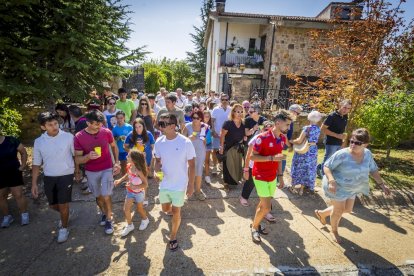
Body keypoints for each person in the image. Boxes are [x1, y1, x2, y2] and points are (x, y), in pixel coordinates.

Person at [315, 128, 391, 244]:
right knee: (338, 210)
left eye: (357, 143)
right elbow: (326, 166)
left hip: (352, 187)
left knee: (347, 209)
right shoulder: (342, 154)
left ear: (365, 144)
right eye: (351, 141)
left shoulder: (367, 154)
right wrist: (331, 181)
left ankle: (322, 213)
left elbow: (373, 170)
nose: (353, 144)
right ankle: (334, 231)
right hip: (336, 185)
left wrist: (382, 185)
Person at [74, 110, 121, 235]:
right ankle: (105, 213)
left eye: (100, 124)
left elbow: (114, 146)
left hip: (107, 168)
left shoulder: (106, 132)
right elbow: (77, 159)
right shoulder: (79, 137)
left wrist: (116, 162)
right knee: (98, 196)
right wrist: (88, 157)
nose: (99, 127)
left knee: (106, 194)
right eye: (96, 124)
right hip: (91, 170)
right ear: (88, 123)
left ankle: (109, 220)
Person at [154, 113, 196, 251]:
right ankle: (173, 213)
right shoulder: (159, 142)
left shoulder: (185, 142)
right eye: (160, 123)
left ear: (173, 126)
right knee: (166, 210)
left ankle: (173, 236)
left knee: (177, 211)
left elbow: (192, 165)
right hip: (164, 183)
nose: (160, 126)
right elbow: (157, 161)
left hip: (179, 184)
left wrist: (191, 185)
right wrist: (156, 172)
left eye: (163, 124)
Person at [31, 112, 75, 243]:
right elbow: (36, 163)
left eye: (56, 123)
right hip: (49, 176)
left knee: (63, 204)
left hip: (66, 174)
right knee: (53, 205)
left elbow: (75, 155)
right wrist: (34, 183)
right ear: (43, 127)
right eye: (50, 125)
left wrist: (78, 171)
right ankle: (65, 213)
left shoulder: (68, 137)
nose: (54, 126)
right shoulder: (38, 142)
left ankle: (64, 228)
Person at [249, 110, 291, 243]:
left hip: (272, 176)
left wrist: (280, 176)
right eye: (287, 124)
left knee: (263, 204)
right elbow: (252, 156)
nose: (288, 128)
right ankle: (254, 227)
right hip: (260, 175)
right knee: (267, 208)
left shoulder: (283, 139)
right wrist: (271, 157)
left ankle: (255, 223)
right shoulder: (263, 137)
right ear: (278, 123)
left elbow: (279, 159)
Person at [240, 121, 278, 222]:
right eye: (266, 129)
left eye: (270, 130)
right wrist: (246, 169)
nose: (268, 132)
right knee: (250, 183)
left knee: (268, 192)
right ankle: (244, 197)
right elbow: (248, 155)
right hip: (255, 167)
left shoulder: (276, 140)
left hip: (268, 169)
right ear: (262, 129)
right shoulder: (256, 139)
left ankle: (266, 211)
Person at [114, 150, 149, 237]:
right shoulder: (129, 166)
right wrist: (120, 180)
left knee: (139, 209)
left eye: (128, 156)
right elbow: (127, 175)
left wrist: (135, 187)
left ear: (134, 159)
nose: (126, 157)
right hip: (130, 192)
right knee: (126, 209)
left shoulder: (139, 171)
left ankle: (145, 220)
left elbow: (145, 184)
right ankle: (130, 225)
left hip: (139, 193)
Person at [290, 111, 322, 195]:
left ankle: (293, 186)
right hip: (313, 150)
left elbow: (300, 140)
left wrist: (291, 141)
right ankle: (301, 189)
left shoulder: (307, 128)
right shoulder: (318, 128)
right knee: (308, 168)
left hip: (304, 149)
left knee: (299, 166)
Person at [317, 99, 352, 177]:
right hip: (330, 142)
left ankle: (320, 168)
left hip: (339, 142)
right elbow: (323, 129)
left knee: (336, 159)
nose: (346, 110)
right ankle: (324, 175)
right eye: (344, 107)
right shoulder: (332, 116)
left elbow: (341, 131)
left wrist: (343, 141)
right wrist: (337, 135)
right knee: (328, 159)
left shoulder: (346, 116)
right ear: (340, 105)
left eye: (348, 108)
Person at [124, 118, 155, 206]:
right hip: (134, 162)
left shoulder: (148, 134)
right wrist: (133, 151)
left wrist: (152, 163)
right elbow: (125, 146)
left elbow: (153, 147)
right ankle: (136, 196)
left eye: (140, 126)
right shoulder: (130, 135)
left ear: (143, 126)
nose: (138, 129)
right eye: (136, 127)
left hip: (146, 161)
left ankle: (144, 198)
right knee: (134, 179)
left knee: (144, 180)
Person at [0, 133, 28, 228]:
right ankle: (7, 217)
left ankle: (24, 215)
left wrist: (23, 166)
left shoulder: (11, 140)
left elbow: (23, 152)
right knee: (1, 196)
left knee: (18, 195)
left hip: (14, 172)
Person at [183, 110, 209, 201]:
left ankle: (198, 191)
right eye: (193, 117)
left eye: (197, 118)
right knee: (188, 170)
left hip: (200, 151)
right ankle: (188, 190)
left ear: (201, 118)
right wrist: (188, 138)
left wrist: (205, 139)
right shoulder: (187, 126)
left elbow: (207, 141)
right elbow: (181, 139)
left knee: (198, 170)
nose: (195, 120)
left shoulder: (205, 127)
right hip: (189, 151)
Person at [219, 104, 246, 189]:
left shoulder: (243, 123)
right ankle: (226, 183)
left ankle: (235, 180)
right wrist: (221, 146)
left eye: (241, 112)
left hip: (238, 148)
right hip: (228, 147)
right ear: (233, 112)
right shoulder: (228, 123)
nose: (240, 113)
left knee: (236, 164)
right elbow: (222, 135)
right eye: (238, 111)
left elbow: (244, 134)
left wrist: (244, 137)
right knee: (227, 165)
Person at [211, 93, 231, 174]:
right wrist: (213, 131)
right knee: (215, 150)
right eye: (222, 99)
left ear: (228, 100)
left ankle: (221, 164)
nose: (224, 101)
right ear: (220, 100)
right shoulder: (216, 109)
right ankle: (215, 166)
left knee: (225, 151)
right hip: (217, 134)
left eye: (226, 100)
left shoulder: (231, 109)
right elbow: (212, 121)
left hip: (227, 135)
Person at [203, 110, 215, 184]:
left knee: (207, 161)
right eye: (205, 116)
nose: (207, 118)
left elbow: (212, 134)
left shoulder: (211, 124)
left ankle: (207, 176)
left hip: (208, 144)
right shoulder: (199, 124)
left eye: (208, 116)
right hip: (200, 145)